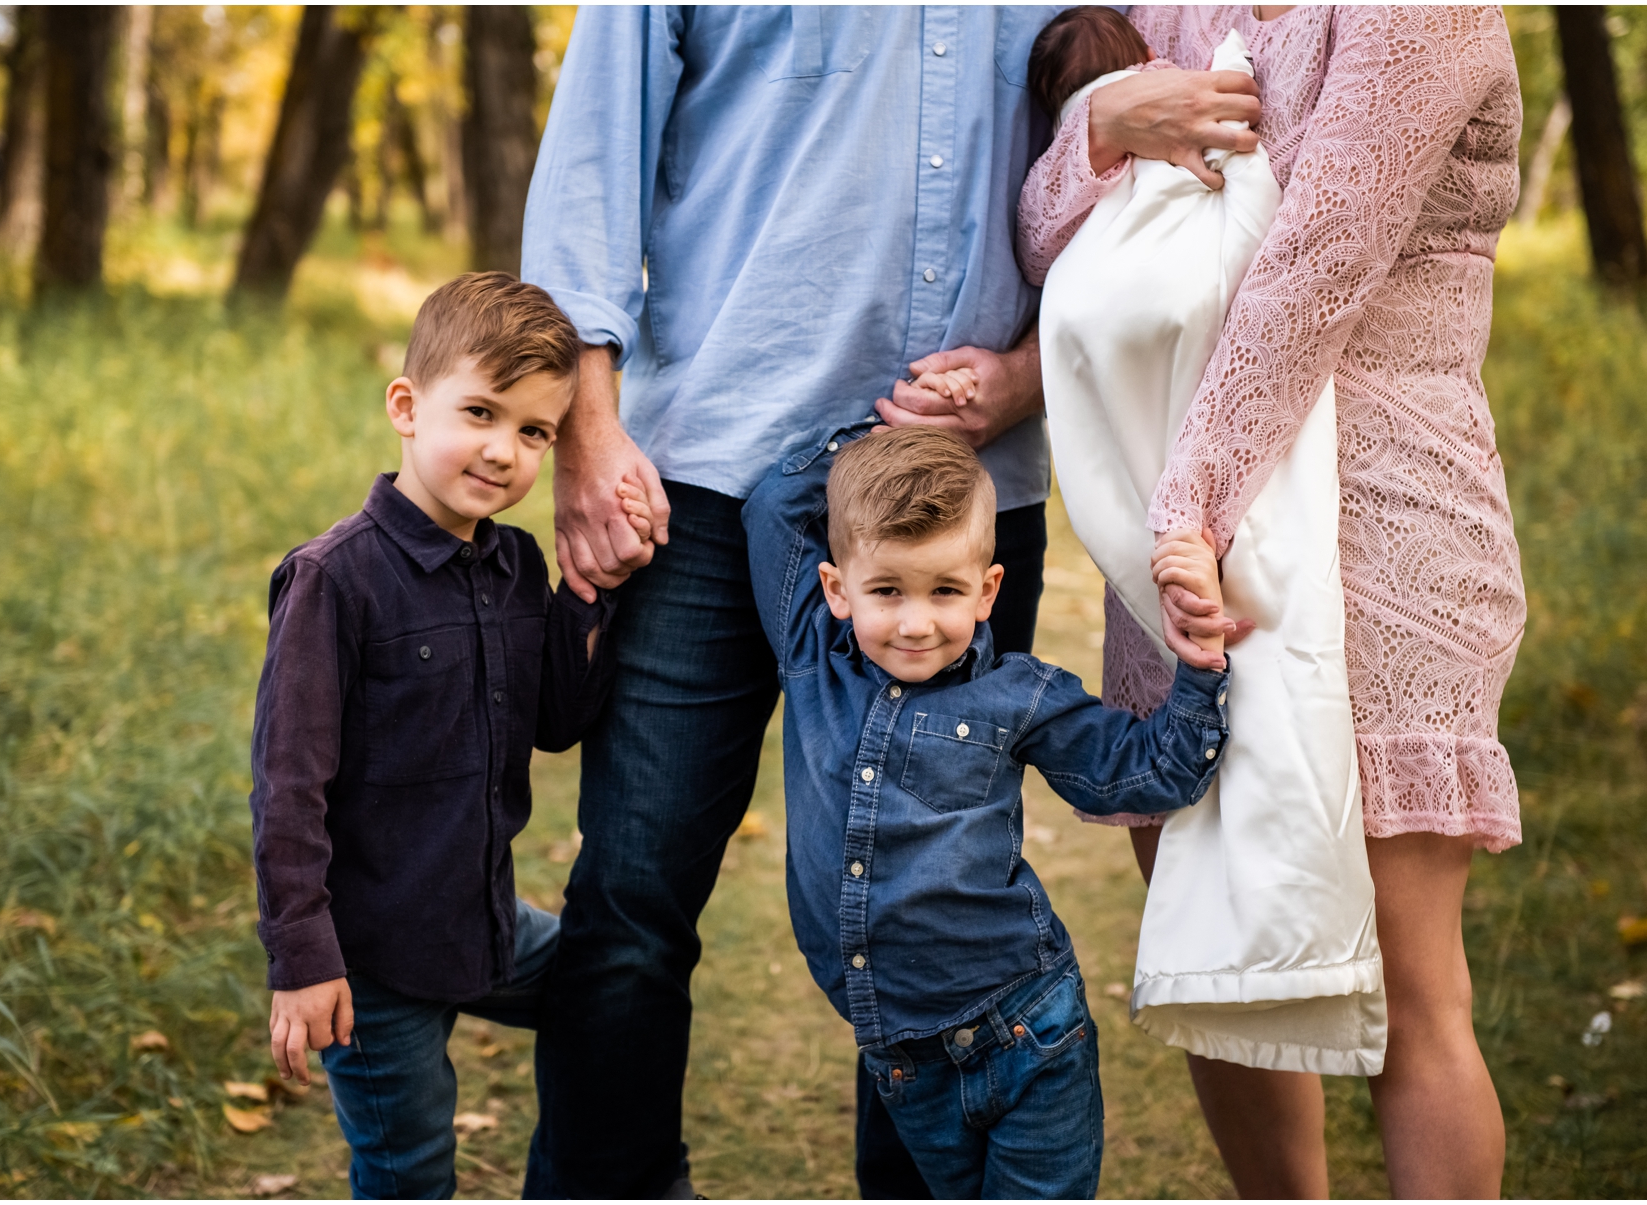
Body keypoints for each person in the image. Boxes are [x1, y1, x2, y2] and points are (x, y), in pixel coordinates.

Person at [517, 8, 1264, 1196]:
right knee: (632, 895)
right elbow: (590, 165)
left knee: (934, 903)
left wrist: (1029, 378)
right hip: (704, 473)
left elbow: (1127, 165)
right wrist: (585, 428)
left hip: (958, 490)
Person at [1017, 6, 1527, 1197]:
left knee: (1413, 989)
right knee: (1222, 955)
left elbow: (1318, 264)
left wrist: (1189, 512)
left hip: (1383, 526)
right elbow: (1050, 240)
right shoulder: (1165, 12)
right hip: (1185, 552)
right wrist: (1099, 123)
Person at [741, 422, 1230, 1198]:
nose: (915, 621)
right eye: (886, 590)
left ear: (988, 590)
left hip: (1027, 1034)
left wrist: (1202, 668)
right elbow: (773, 506)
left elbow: (1150, 770)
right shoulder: (813, 660)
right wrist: (888, 432)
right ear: (838, 589)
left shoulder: (1017, 696)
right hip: (906, 1064)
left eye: (944, 590)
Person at [246, 273, 648, 1199]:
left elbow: (555, 722)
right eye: (479, 411)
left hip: (485, 920)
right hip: (373, 960)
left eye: (535, 431)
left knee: (618, 984)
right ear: (406, 405)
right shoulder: (333, 581)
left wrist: (589, 595)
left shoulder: (513, 564)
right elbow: (287, 788)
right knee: (410, 1171)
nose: (504, 450)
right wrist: (303, 961)